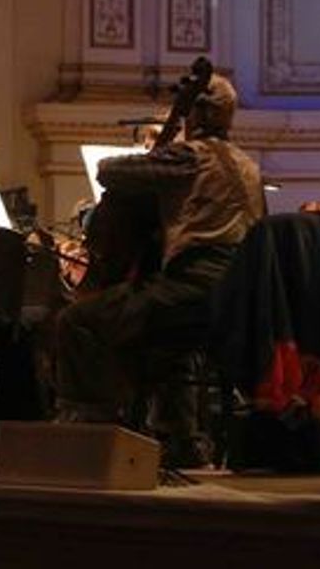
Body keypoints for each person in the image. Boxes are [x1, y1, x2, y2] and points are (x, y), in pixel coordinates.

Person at [53, 74, 264, 465]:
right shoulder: (248, 165)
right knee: (163, 336)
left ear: (195, 113)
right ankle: (180, 438)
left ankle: (88, 431)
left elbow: (108, 171)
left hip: (196, 290)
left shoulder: (190, 156)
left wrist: (162, 142)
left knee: (79, 320)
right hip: (239, 298)